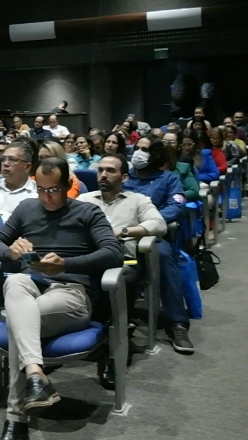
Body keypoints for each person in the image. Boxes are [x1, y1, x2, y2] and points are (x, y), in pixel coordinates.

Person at [0, 157, 124, 439]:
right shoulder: (26, 208)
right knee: (15, 280)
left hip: (71, 293)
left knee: (17, 322)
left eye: (53, 190)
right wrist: (10, 251)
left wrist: (66, 265)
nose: (46, 197)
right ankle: (36, 375)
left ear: (67, 185)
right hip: (30, 286)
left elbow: (114, 252)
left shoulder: (87, 212)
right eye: (41, 189)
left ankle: (16, 420)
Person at [78, 154, 180, 368]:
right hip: (87, 259)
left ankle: (113, 342)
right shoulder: (84, 200)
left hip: (122, 262)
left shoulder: (137, 200)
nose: (103, 175)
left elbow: (158, 224)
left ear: (124, 177)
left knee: (119, 280)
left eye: (110, 171)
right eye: (100, 170)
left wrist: (123, 232)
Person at [122, 137, 193, 353]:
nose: (138, 153)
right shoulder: (124, 176)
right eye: (137, 148)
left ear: (155, 155)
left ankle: (177, 324)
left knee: (162, 256)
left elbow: (177, 205)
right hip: (121, 234)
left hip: (153, 236)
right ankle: (107, 321)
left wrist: (148, 223)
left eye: (144, 149)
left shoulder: (169, 178)